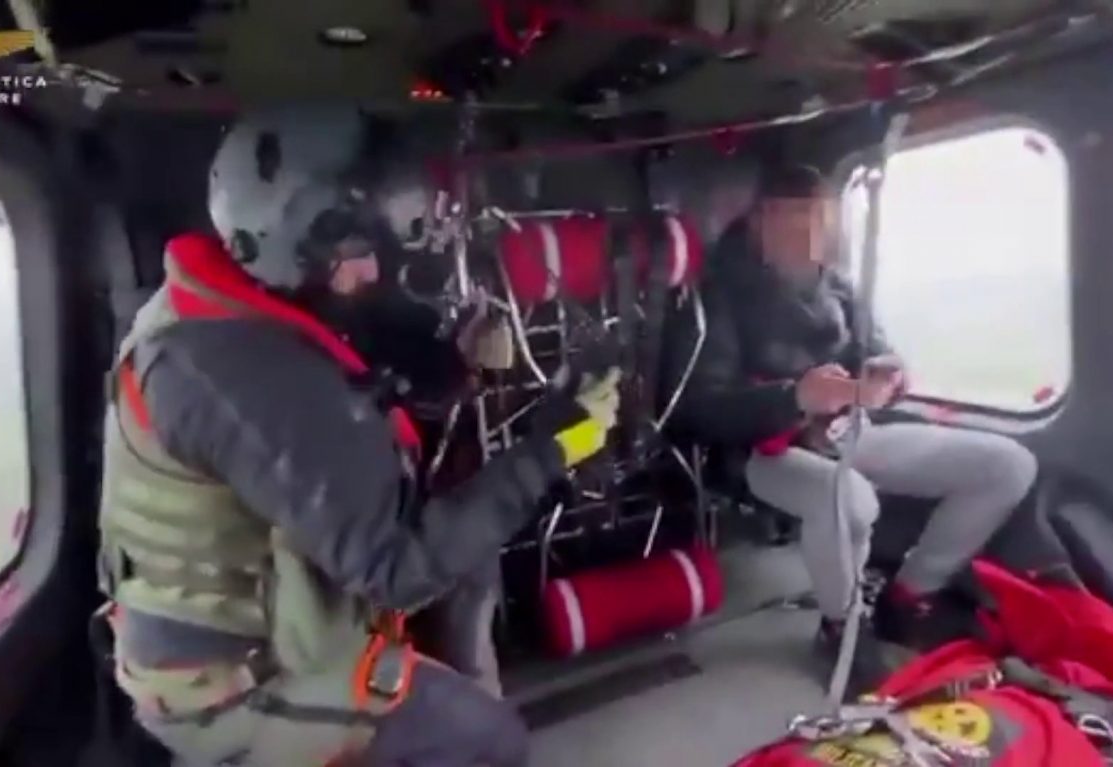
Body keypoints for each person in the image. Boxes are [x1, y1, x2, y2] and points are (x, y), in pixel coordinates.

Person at [95, 105, 621, 767]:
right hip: (228, 683)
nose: (373, 273)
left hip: (262, 623)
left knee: (470, 565)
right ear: (296, 245)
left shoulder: (224, 316)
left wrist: (449, 364)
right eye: (359, 253)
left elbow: (349, 389)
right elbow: (395, 570)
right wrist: (552, 451)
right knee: (490, 742)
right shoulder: (243, 374)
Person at [665, 161, 1037, 681]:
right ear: (760, 222)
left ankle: (908, 597)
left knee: (1007, 466)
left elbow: (876, 351)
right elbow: (696, 407)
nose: (812, 234)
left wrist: (890, 373)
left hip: (848, 432)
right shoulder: (716, 297)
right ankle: (841, 626)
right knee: (851, 501)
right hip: (761, 449)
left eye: (821, 219)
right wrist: (794, 397)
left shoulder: (839, 289)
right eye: (796, 219)